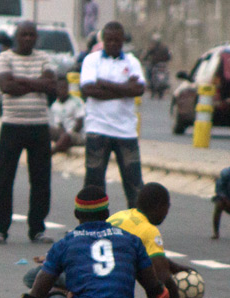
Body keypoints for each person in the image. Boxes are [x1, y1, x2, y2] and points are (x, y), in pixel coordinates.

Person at [0, 186, 174, 298]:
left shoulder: (65, 244)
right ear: (106, 214)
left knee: (48, 296)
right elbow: (157, 293)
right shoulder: (131, 241)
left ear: (76, 214)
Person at [0, 21, 59, 245]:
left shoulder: (44, 58)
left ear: (36, 37)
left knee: (41, 180)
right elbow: (5, 86)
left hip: (39, 126)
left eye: (32, 35)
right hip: (12, 125)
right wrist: (37, 83)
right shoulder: (5, 57)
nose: (28, 38)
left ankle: (37, 229)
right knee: (4, 179)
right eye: (24, 35)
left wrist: (21, 80)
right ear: (16, 37)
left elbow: (52, 85)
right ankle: (0, 229)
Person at [80, 22, 147, 208]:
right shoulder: (91, 60)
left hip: (126, 131)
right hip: (97, 129)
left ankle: (137, 225)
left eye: (117, 40)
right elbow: (88, 89)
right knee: (94, 183)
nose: (112, 43)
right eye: (108, 39)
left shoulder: (132, 61)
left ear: (122, 40)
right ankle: (93, 225)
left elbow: (139, 89)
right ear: (103, 40)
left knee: (134, 182)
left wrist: (104, 83)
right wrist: (125, 89)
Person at [110, 183, 200, 298]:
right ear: (159, 207)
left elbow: (149, 254)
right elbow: (161, 274)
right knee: (148, 274)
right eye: (167, 207)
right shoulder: (149, 230)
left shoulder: (121, 215)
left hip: (93, 271)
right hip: (113, 283)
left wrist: (175, 267)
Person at [49, 78, 84, 154]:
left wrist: (69, 133)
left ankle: (51, 152)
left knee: (67, 136)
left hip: (76, 134)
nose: (63, 90)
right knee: (47, 130)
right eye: (61, 88)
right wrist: (63, 135)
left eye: (65, 88)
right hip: (63, 134)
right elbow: (59, 125)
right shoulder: (55, 105)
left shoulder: (77, 101)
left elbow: (80, 123)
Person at [142, 33, 171, 98]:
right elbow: (169, 56)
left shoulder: (153, 47)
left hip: (155, 64)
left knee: (148, 71)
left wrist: (144, 59)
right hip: (162, 65)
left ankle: (150, 85)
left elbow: (147, 55)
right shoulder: (164, 47)